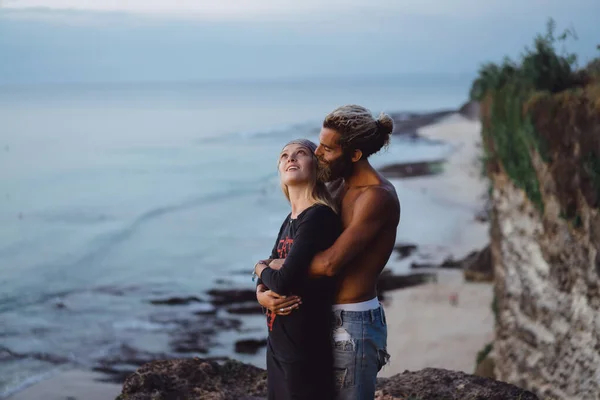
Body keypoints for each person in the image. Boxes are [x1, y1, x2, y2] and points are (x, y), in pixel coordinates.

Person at [258, 105, 401, 400]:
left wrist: (268, 267)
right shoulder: (336, 185)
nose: (318, 153)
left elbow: (329, 264)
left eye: (326, 149)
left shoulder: (376, 197)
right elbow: (296, 235)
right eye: (319, 145)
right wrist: (262, 289)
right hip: (319, 319)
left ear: (355, 155)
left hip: (353, 321)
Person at [253, 139, 342, 400]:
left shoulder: (318, 216)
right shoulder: (290, 219)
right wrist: (260, 293)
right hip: (279, 347)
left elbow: (282, 281)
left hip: (305, 352)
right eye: (284, 156)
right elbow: (273, 268)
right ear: (279, 170)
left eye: (300, 153)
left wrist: (258, 267)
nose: (290, 158)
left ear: (315, 167)